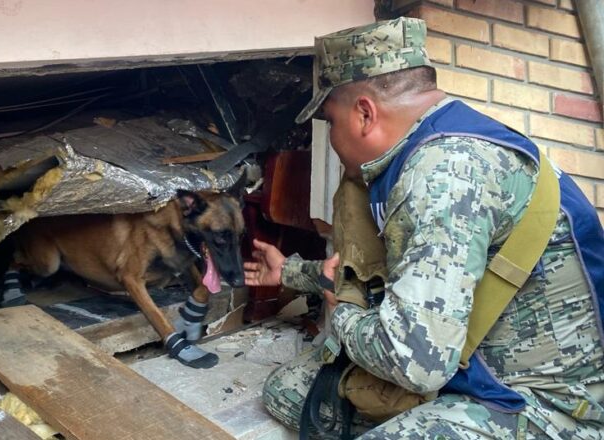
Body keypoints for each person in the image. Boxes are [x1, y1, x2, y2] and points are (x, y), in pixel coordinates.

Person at [244, 17, 604, 439]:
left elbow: (415, 361)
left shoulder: (442, 175)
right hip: (472, 366)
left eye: (331, 121)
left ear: (364, 114)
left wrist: (342, 317)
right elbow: (379, 272)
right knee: (290, 393)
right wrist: (289, 271)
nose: (331, 138)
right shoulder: (434, 142)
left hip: (545, 406)